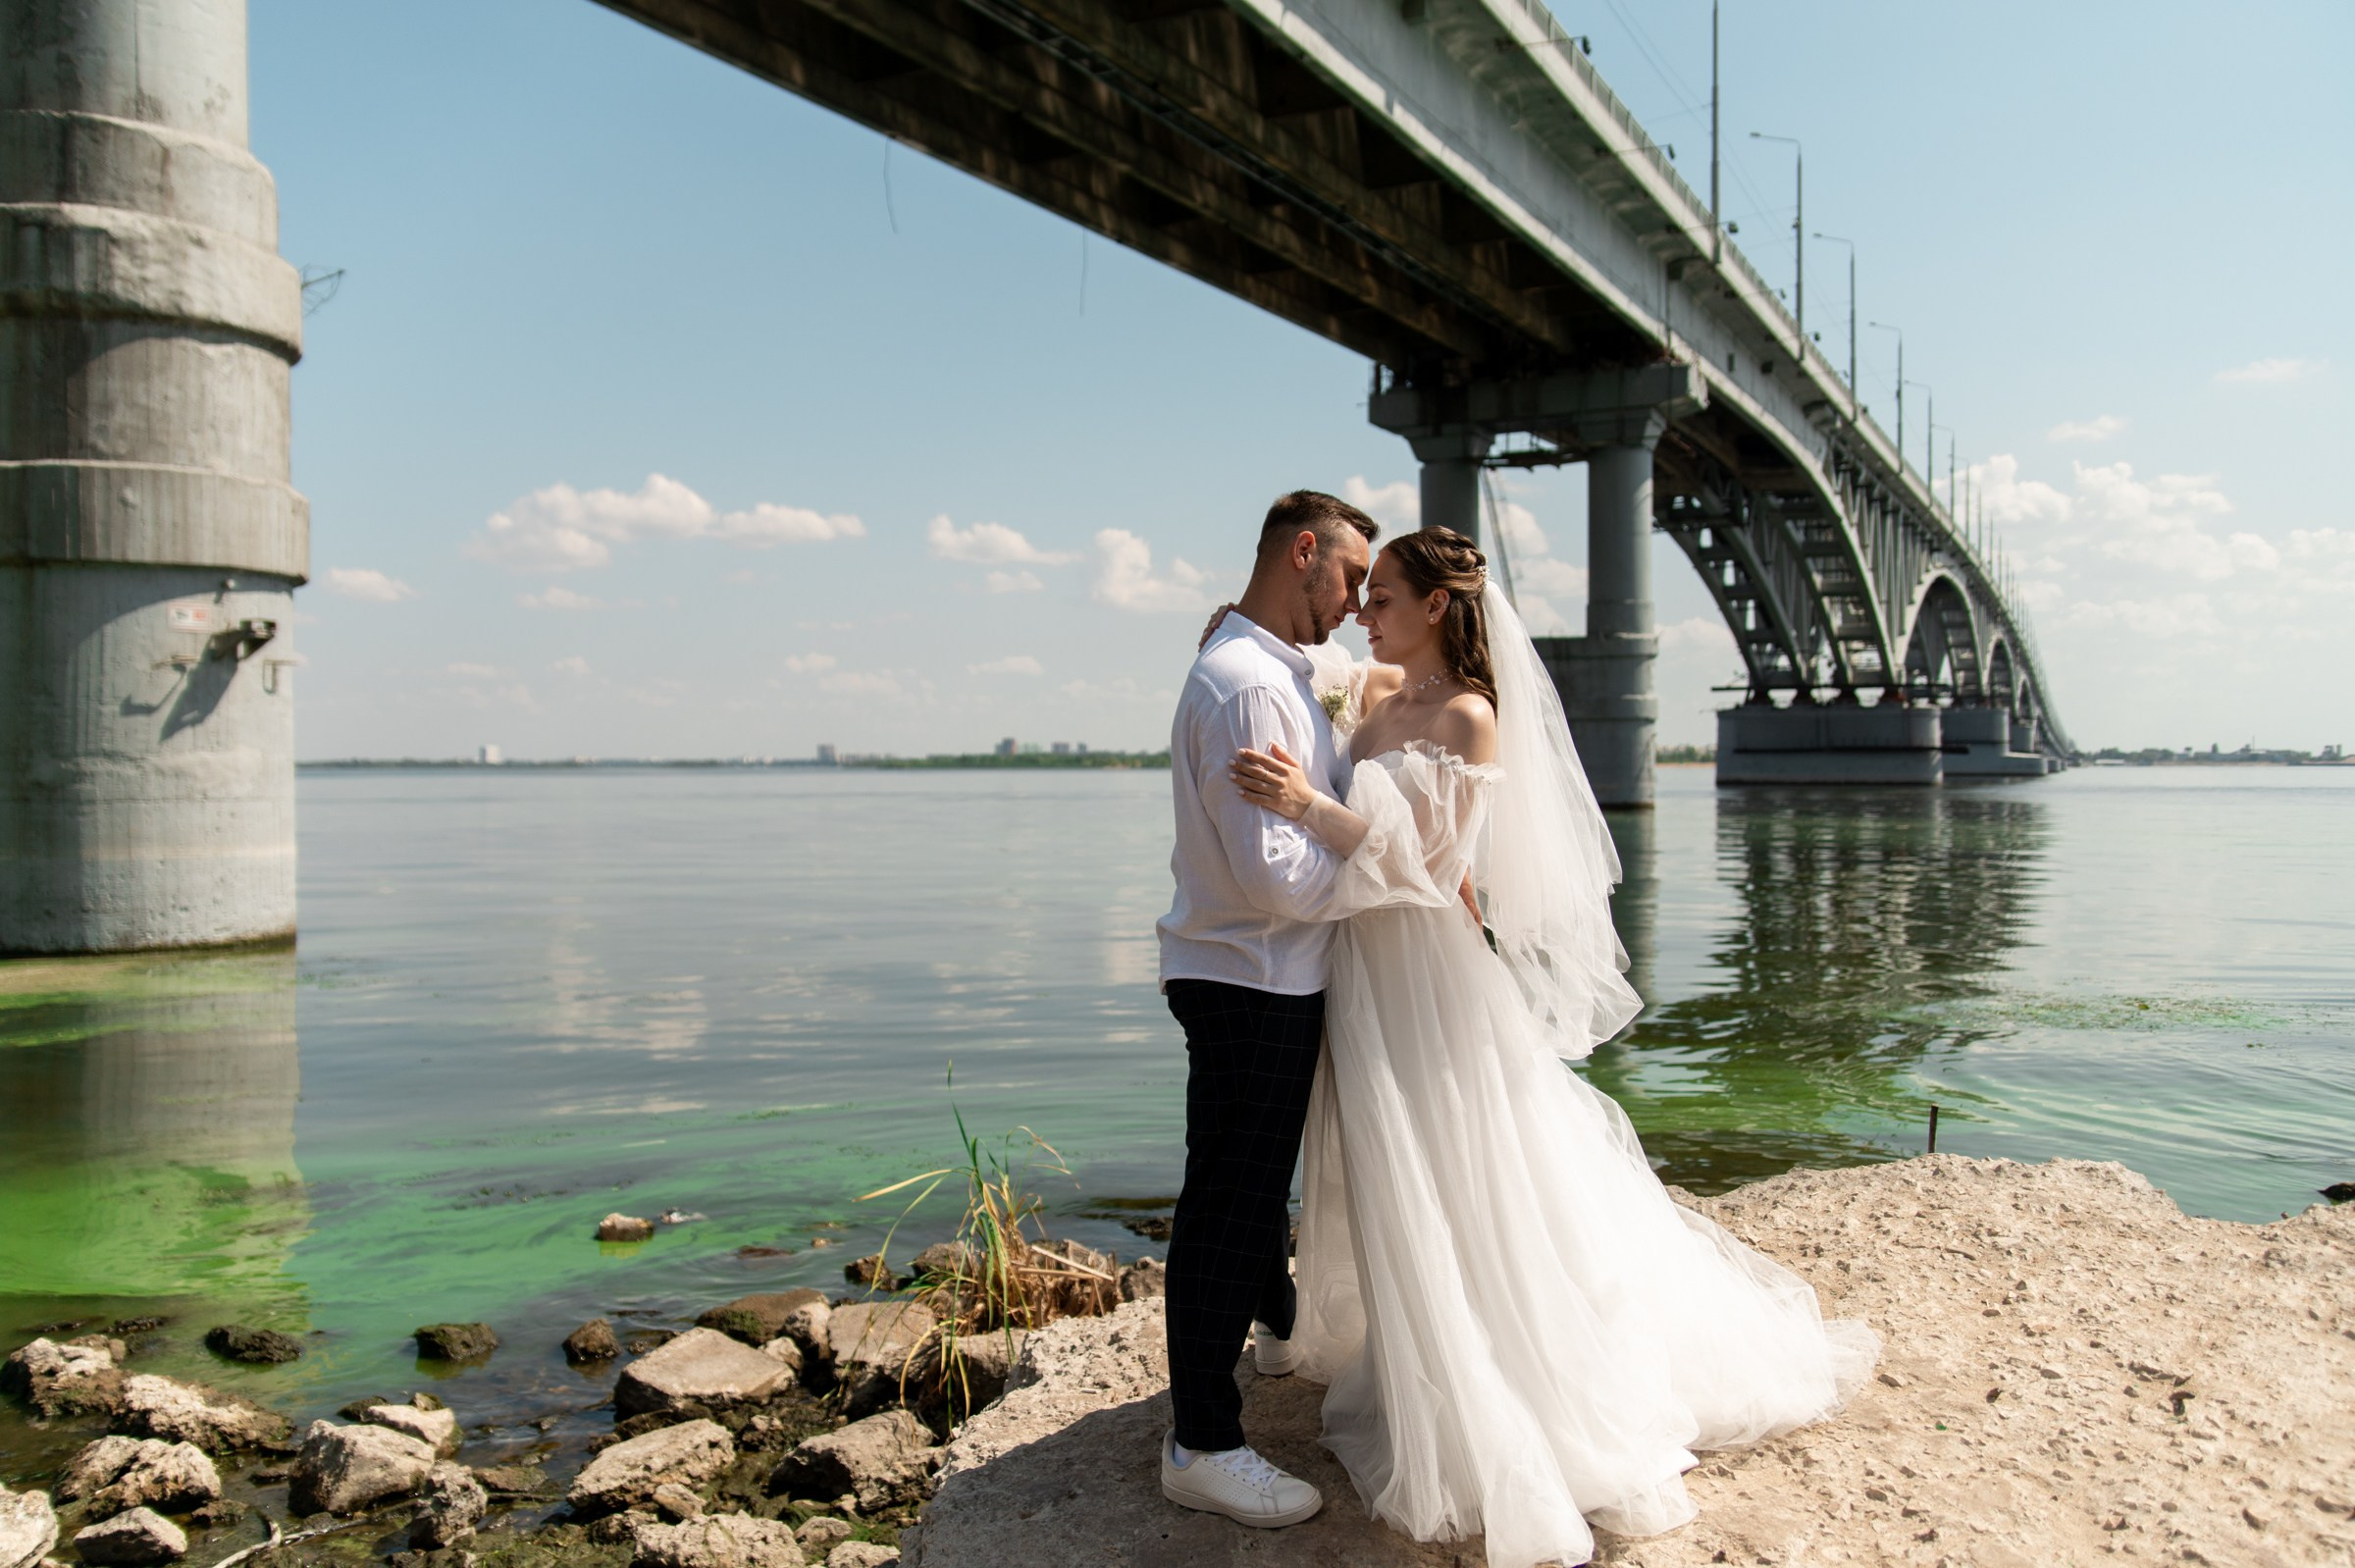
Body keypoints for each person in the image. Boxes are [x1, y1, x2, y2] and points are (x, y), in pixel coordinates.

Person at [1219, 526, 1879, 1568]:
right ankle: (1422, 1351)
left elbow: (1434, 868)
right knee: (1396, 1167)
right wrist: (1237, 628)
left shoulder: (1475, 716)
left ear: (1439, 606)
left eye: (1384, 595)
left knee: (1462, 1156)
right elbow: (1317, 666)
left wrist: (1311, 804)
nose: (1365, 610)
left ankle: (1508, 1375)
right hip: (1364, 973)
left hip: (1425, 966)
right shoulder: (1377, 691)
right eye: (1366, 592)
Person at [1154, 488, 1457, 1529]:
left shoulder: (1273, 666)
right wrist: (1389, 886)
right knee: (1228, 1199)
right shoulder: (1248, 689)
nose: (1352, 604)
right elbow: (1276, 877)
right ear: (1302, 553)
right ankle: (1202, 1439)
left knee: (1247, 1178)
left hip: (1262, 971)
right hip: (1254, 971)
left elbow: (1350, 672)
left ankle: (1274, 1320)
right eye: (1346, 579)